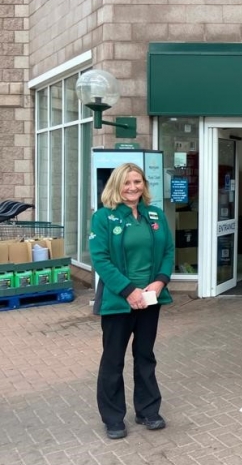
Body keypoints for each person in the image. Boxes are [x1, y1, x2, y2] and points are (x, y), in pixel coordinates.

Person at [89, 163, 175, 440]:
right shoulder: (104, 218)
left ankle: (148, 410)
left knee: (145, 356)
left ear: (144, 185)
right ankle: (113, 417)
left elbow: (169, 251)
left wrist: (160, 281)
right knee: (113, 359)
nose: (133, 187)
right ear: (116, 185)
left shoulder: (155, 214)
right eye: (127, 182)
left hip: (151, 298)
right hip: (118, 301)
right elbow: (100, 258)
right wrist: (129, 291)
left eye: (137, 181)